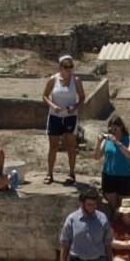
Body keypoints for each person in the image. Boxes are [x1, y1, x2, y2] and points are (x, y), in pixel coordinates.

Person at [43, 55, 85, 186]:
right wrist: (53, 105)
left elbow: (82, 97)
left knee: (70, 146)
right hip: (55, 115)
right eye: (65, 66)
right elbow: (44, 95)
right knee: (53, 146)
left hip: (70, 116)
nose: (68, 69)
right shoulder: (53, 80)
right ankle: (49, 173)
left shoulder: (76, 80)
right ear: (60, 66)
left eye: (70, 66)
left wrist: (75, 107)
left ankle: (71, 173)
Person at [94, 115, 130, 211]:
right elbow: (97, 156)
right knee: (112, 206)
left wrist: (117, 143)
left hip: (125, 176)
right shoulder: (107, 140)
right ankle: (113, 223)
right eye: (111, 128)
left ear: (121, 127)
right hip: (109, 175)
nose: (113, 130)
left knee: (124, 207)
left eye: (115, 128)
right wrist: (99, 142)